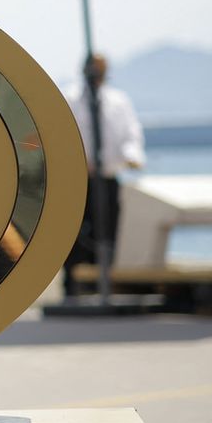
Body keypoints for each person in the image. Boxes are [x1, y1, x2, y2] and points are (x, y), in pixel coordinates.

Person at [63, 53, 146, 293]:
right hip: (78, 178)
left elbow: (131, 133)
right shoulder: (70, 98)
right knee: (74, 232)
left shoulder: (118, 101)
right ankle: (74, 284)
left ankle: (102, 282)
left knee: (107, 229)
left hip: (107, 176)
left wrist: (131, 157)